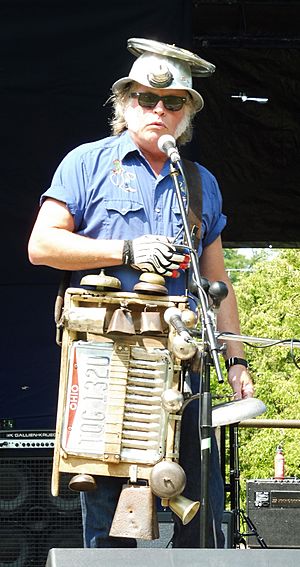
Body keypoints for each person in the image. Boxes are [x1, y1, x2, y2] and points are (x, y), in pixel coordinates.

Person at [28, 38, 254, 549]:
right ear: (124, 103)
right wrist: (125, 251)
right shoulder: (87, 163)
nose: (158, 110)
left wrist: (237, 359)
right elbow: (42, 246)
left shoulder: (199, 182)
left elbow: (217, 284)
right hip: (107, 357)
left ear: (187, 113)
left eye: (173, 102)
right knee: (107, 512)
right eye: (146, 99)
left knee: (201, 516)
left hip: (184, 362)